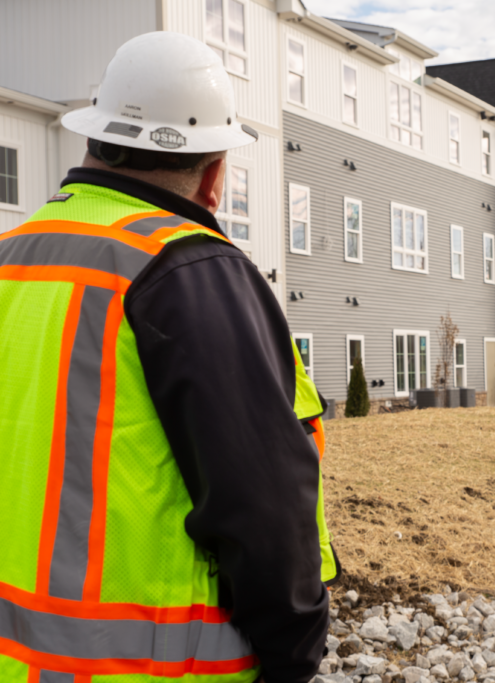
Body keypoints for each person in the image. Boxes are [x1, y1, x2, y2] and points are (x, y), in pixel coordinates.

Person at [0, 32, 335, 682]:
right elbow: (263, 506)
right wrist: (295, 654)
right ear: (214, 176)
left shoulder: (12, 256)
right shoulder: (188, 269)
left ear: (94, 141)